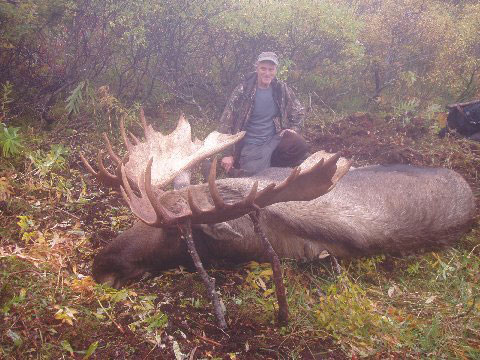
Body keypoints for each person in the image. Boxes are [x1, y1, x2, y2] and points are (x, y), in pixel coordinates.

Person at [218, 51, 309, 177]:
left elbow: (298, 111)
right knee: (253, 180)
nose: (267, 73)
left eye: (271, 69)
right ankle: (238, 169)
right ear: (257, 68)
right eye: (263, 69)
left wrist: (294, 129)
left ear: (275, 70)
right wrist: (227, 154)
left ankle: (273, 166)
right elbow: (226, 121)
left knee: (300, 145)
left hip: (273, 140)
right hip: (251, 146)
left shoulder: (280, 88)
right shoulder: (243, 90)